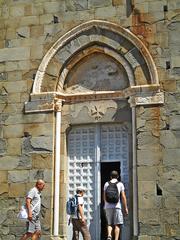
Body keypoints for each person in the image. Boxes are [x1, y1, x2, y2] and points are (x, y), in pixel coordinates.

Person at [103, 170, 128, 240]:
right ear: (118, 176)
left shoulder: (106, 184)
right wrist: (125, 207)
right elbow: (123, 196)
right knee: (117, 225)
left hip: (108, 206)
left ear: (110, 177)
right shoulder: (120, 184)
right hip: (117, 206)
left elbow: (104, 196)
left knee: (109, 223)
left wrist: (105, 205)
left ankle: (109, 235)